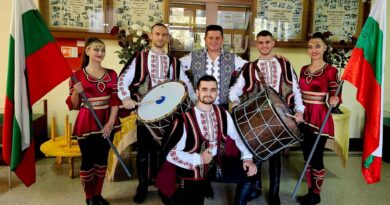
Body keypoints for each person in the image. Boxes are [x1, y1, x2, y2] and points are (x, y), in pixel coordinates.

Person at [117, 23, 193, 204]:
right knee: (143, 152)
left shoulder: (175, 62)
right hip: (144, 113)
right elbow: (122, 80)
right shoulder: (139, 58)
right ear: (151, 36)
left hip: (168, 116)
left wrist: (195, 103)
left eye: (164, 35)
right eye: (157, 34)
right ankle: (142, 186)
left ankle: (163, 187)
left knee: (165, 152)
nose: (160, 38)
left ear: (167, 38)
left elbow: (187, 86)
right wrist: (126, 98)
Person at [229, 30, 305, 205]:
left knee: (276, 158)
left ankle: (274, 194)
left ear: (273, 43)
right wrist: (235, 103)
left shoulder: (285, 65)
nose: (264, 45)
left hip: (282, 120)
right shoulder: (249, 67)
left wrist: (300, 110)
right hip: (259, 120)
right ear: (257, 44)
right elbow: (234, 91)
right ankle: (255, 189)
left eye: (267, 42)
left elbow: (296, 90)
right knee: (257, 154)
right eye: (261, 42)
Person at [159, 75, 257, 205]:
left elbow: (237, 137)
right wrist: (199, 159)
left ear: (217, 92)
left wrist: (248, 158)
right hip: (193, 169)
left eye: (212, 90)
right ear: (197, 92)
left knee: (250, 172)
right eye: (204, 89)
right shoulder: (184, 119)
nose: (209, 93)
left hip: (215, 165)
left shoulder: (223, 114)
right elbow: (171, 154)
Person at [66, 37, 121, 205]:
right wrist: (76, 92)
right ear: (88, 51)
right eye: (96, 49)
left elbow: (115, 101)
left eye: (103, 50)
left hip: (106, 120)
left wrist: (111, 123)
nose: (100, 53)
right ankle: (89, 197)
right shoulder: (77, 76)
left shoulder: (112, 74)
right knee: (88, 161)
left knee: (102, 159)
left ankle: (98, 194)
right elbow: (74, 105)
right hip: (87, 121)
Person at [296, 32, 340, 205]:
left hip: (320, 117)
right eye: (310, 46)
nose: (313, 49)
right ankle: (309, 190)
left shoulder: (331, 70)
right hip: (304, 116)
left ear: (325, 48)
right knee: (307, 155)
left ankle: (316, 193)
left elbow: (335, 94)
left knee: (316, 156)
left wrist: (335, 100)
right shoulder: (303, 69)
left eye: (317, 46)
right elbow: (298, 92)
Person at [180, 24, 248, 109]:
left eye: (217, 38)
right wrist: (191, 92)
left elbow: (248, 68)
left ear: (222, 40)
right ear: (205, 39)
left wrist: (234, 93)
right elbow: (176, 66)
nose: (214, 41)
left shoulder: (232, 58)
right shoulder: (194, 56)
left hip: (222, 107)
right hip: (199, 107)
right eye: (211, 38)